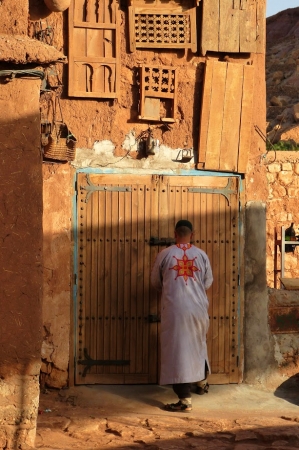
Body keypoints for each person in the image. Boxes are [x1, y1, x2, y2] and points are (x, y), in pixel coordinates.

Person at [150, 219, 213, 412]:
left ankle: (185, 400)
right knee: (197, 345)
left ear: (175, 234)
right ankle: (201, 381)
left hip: (175, 310)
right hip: (198, 309)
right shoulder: (201, 255)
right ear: (192, 235)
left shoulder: (165, 254)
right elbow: (208, 282)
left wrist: (172, 288)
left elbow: (155, 282)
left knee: (177, 352)